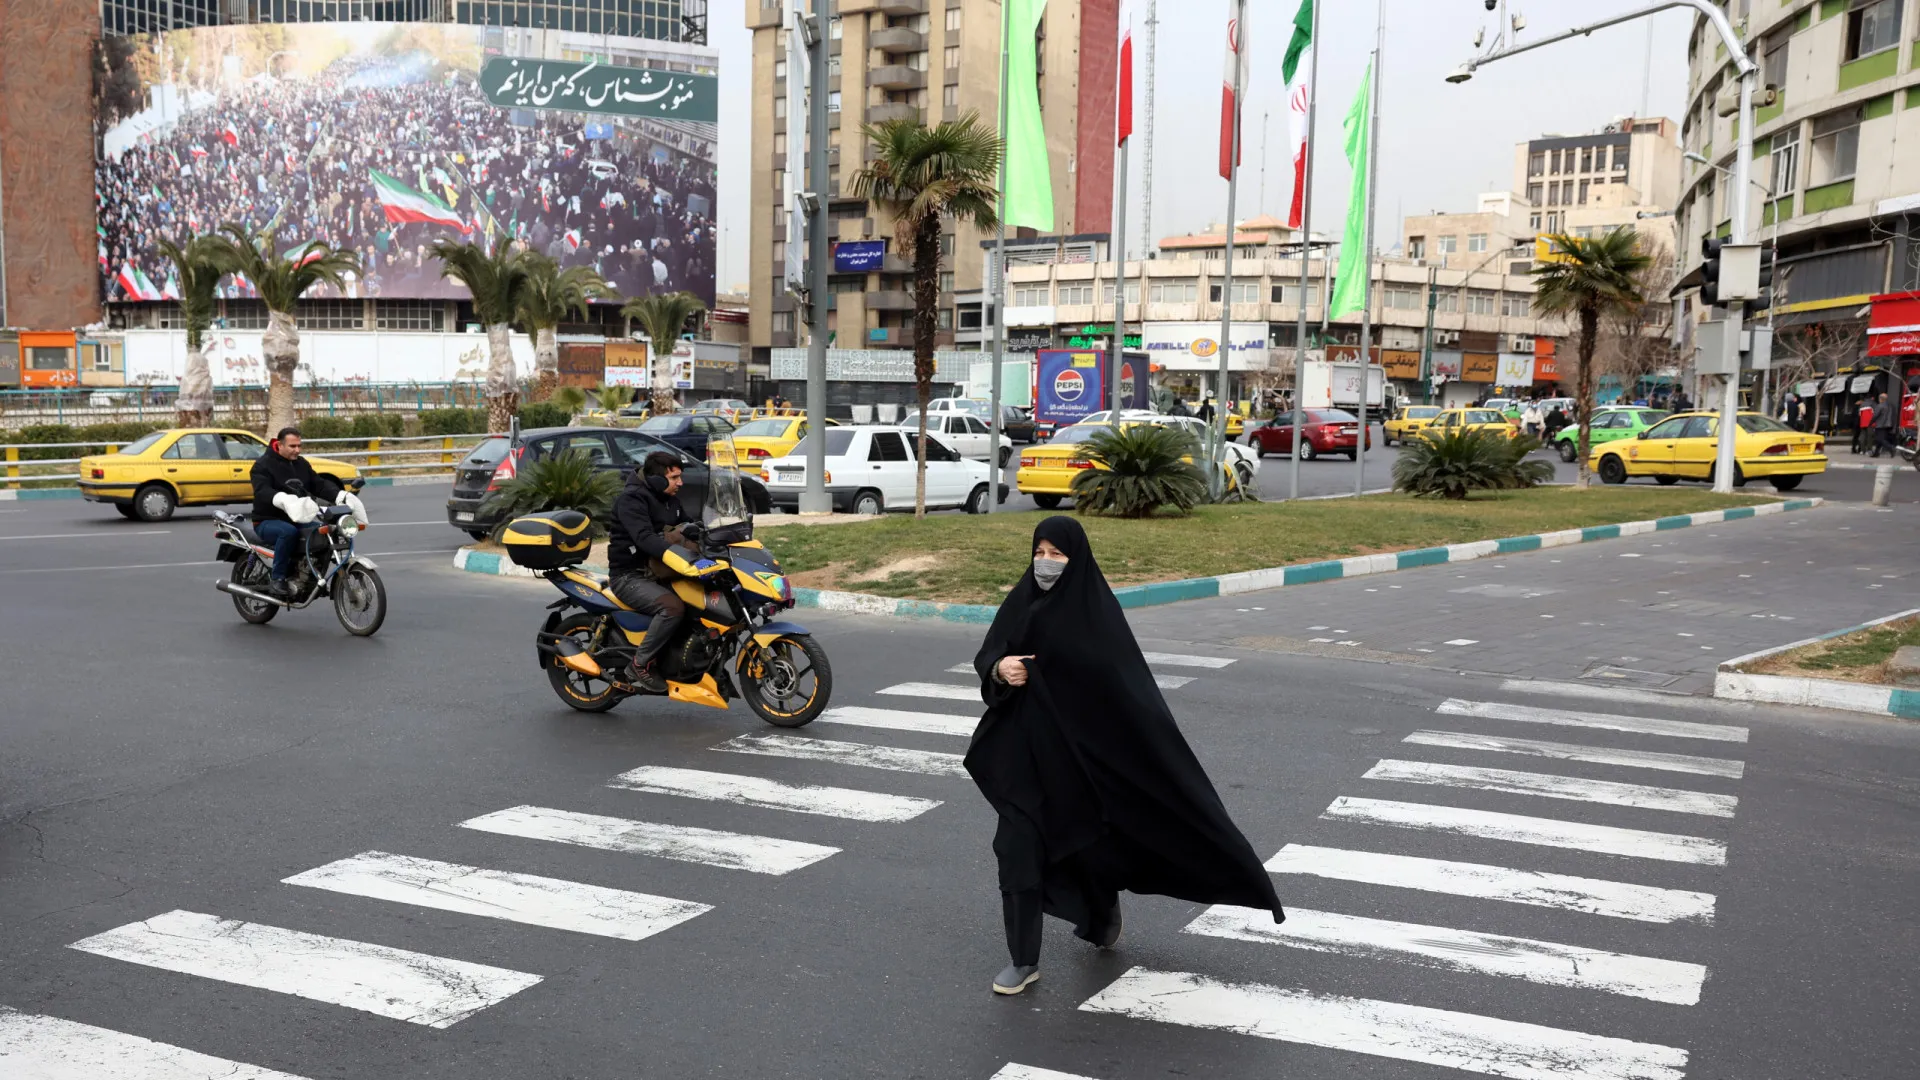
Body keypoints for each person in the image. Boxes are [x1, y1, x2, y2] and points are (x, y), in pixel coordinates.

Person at [966, 517, 1284, 996]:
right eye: (1040, 552)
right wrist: (998, 668)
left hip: (1083, 764)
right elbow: (991, 654)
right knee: (1016, 849)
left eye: (1058, 554)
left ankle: (1101, 908)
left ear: (1078, 559)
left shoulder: (1096, 616)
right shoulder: (1021, 601)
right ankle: (1023, 958)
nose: (1046, 563)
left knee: (1091, 839)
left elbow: (1124, 692)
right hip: (1025, 758)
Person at [608, 450, 701, 692]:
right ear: (658, 479)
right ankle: (639, 664)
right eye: (674, 478)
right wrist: (676, 555)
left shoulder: (669, 498)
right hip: (630, 575)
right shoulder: (632, 500)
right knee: (672, 608)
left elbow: (689, 524)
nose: (680, 482)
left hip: (660, 572)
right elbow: (644, 538)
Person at [249, 427, 360, 598]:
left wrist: (340, 495)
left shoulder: (301, 464)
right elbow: (262, 491)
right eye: (293, 446)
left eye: (299, 446)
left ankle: (311, 575)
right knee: (288, 533)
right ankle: (277, 579)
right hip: (267, 519)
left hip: (298, 516)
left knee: (322, 532)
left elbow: (319, 485)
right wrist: (282, 499)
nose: (297, 450)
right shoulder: (262, 466)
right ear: (279, 445)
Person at [1870, 392, 1898, 458]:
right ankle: (1876, 453)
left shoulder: (1880, 406)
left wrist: (1870, 422)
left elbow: (1875, 416)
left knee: (1880, 439)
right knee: (1880, 439)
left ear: (1881, 399)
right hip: (1889, 425)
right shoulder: (1891, 406)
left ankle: (1891, 448)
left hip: (1881, 425)